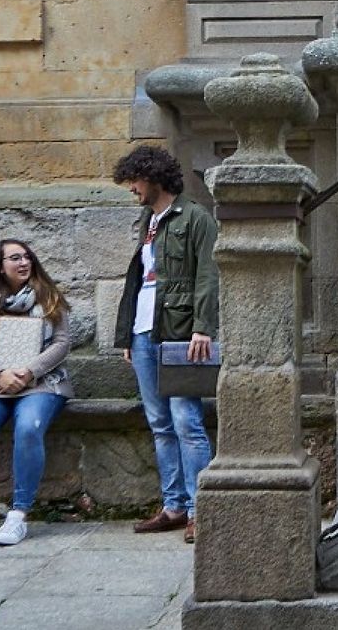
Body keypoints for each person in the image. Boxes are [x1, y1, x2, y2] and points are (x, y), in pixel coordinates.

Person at [112, 144, 218, 544]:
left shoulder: (195, 218)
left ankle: (200, 509)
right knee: (159, 423)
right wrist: (128, 335)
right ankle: (174, 506)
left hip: (179, 333)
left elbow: (209, 274)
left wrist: (203, 327)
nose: (131, 189)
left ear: (153, 177)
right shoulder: (148, 221)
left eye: (134, 180)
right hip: (144, 334)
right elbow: (137, 281)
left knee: (186, 422)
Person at [0, 238, 72, 547]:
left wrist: (28, 371)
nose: (23, 263)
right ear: (0, 266)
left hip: (42, 382)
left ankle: (18, 516)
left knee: (28, 428)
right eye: (15, 258)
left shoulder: (48, 298)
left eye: (27, 257)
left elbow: (62, 343)